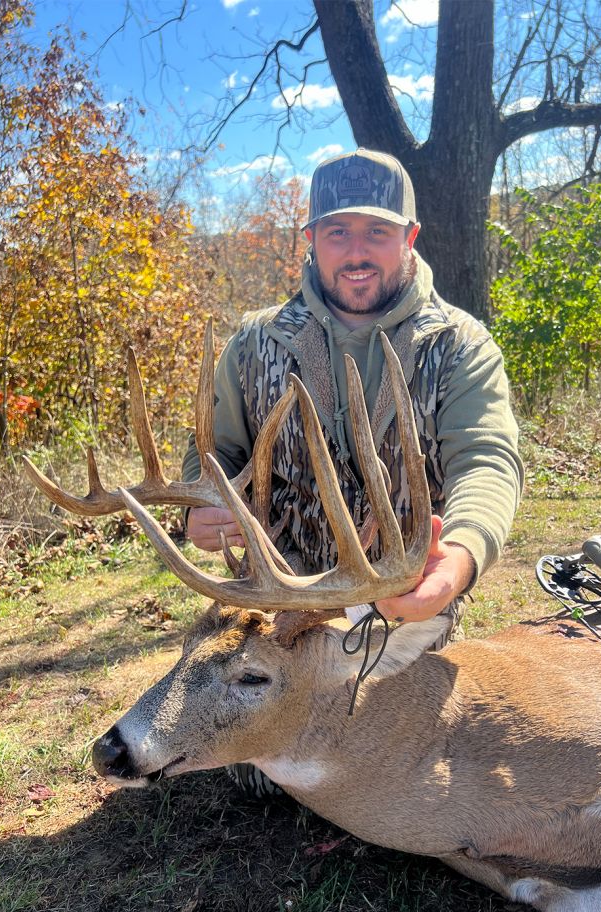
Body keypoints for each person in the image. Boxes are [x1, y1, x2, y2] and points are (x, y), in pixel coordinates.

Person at [181, 148, 523, 796]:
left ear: (409, 238)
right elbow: (212, 455)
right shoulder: (253, 345)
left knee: (399, 769)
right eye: (337, 232)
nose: (356, 251)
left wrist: (455, 563)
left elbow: (486, 460)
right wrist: (199, 507)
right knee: (264, 779)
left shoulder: (459, 345)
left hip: (399, 598)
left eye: (377, 231)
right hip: (278, 604)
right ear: (309, 240)